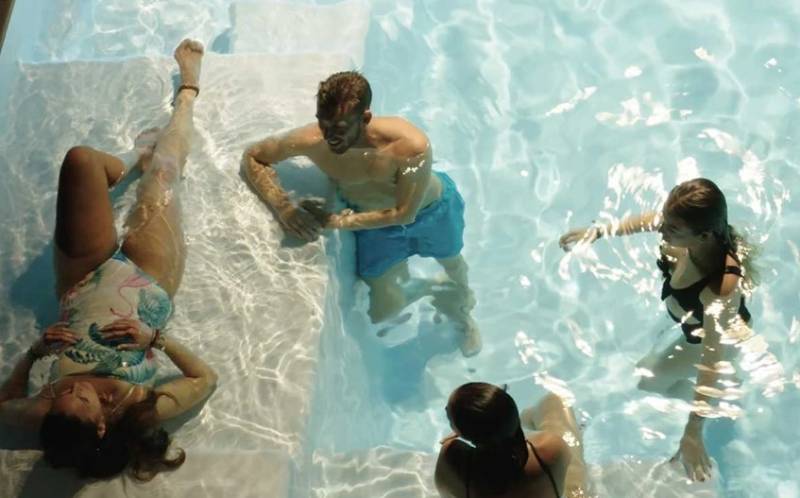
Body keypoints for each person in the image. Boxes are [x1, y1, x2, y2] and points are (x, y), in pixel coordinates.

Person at [0, 39, 217, 480]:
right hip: (147, 277)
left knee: (80, 162)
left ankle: (125, 163)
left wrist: (33, 354)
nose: (76, 388)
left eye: (64, 392)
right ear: (102, 424)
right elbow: (205, 380)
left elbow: (3, 408)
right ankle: (188, 92)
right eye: (82, 399)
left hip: (83, 279)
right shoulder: (139, 407)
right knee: (165, 170)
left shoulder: (47, 417)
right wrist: (153, 339)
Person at [242, 71, 481, 356]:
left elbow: (404, 213)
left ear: (365, 118)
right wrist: (283, 207)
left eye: (340, 126)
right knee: (382, 312)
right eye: (323, 122)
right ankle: (428, 288)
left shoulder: (408, 146)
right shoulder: (311, 140)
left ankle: (465, 315)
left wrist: (335, 221)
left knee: (453, 265)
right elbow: (253, 157)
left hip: (432, 212)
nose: (330, 135)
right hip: (376, 227)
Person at [559, 178, 755, 482]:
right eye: (666, 222)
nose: (661, 231)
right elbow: (651, 220)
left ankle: (718, 401)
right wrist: (598, 231)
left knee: (647, 379)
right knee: (649, 377)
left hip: (712, 344)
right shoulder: (698, 238)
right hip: (691, 322)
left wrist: (693, 432)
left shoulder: (719, 291)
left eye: (672, 228)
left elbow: (711, 361)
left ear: (703, 235)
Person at [435, 382, 589, 498]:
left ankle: (523, 419)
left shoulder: (454, 466)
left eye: (448, 413)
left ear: (462, 433)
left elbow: (445, 492)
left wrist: (452, 441)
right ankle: (524, 419)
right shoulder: (550, 450)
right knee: (554, 402)